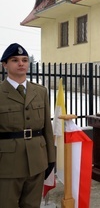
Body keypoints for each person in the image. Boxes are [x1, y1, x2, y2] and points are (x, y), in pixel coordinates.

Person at [0, 43, 55, 207]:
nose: (21, 63)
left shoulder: (41, 91)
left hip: (37, 161)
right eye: (15, 60)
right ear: (4, 65)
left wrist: (50, 159)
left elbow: (47, 127)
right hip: (7, 164)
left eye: (24, 60)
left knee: (32, 205)